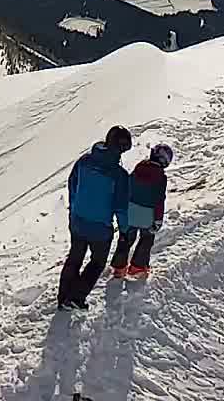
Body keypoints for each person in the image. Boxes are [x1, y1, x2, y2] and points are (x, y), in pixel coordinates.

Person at [58, 127, 134, 310]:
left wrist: (74, 210)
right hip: (100, 228)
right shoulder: (119, 175)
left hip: (78, 221)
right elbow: (121, 208)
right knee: (97, 262)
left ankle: (63, 297)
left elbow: (72, 185)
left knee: (74, 257)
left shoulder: (84, 161)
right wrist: (125, 230)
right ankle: (76, 297)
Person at [115, 145, 174, 280]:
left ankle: (119, 267)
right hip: (148, 214)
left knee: (126, 238)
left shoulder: (139, 168)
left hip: (131, 209)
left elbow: (128, 186)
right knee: (146, 239)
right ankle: (137, 267)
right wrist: (158, 219)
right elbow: (159, 200)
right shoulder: (161, 177)